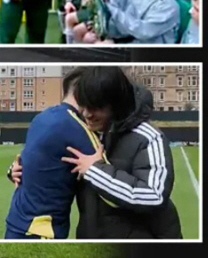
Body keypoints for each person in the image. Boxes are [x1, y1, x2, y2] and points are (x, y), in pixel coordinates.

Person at [63, 67, 182, 239]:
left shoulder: (148, 137)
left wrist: (95, 170)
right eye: (83, 105)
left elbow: (154, 196)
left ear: (116, 104)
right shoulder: (86, 132)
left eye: (96, 106)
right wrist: (27, 168)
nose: (87, 114)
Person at [4, 67, 105, 239]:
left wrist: (11, 171)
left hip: (16, 222)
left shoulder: (41, 118)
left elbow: (25, 162)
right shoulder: (77, 128)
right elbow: (109, 186)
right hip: (42, 230)